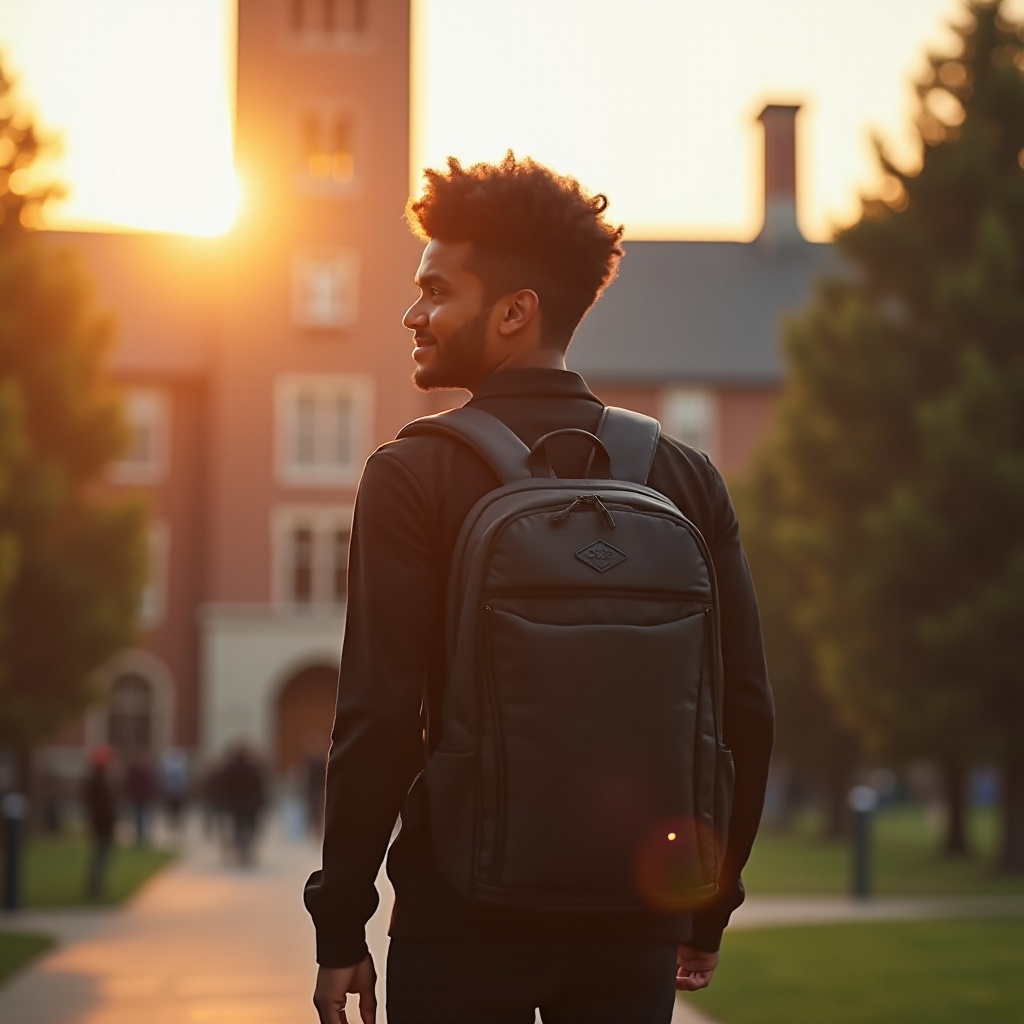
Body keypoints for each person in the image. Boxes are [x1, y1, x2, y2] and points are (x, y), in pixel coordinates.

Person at [305, 154, 775, 1024]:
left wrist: (341, 925)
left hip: (460, 921)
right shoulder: (683, 477)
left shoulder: (412, 475)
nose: (412, 314)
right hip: (631, 920)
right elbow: (742, 712)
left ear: (514, 312)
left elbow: (376, 720)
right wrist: (706, 905)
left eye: (436, 290)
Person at [82, 745, 117, 901]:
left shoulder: (99, 781)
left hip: (103, 826)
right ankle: (94, 888)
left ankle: (95, 887)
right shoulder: (97, 782)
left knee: (101, 857)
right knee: (100, 857)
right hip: (102, 827)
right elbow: (101, 807)